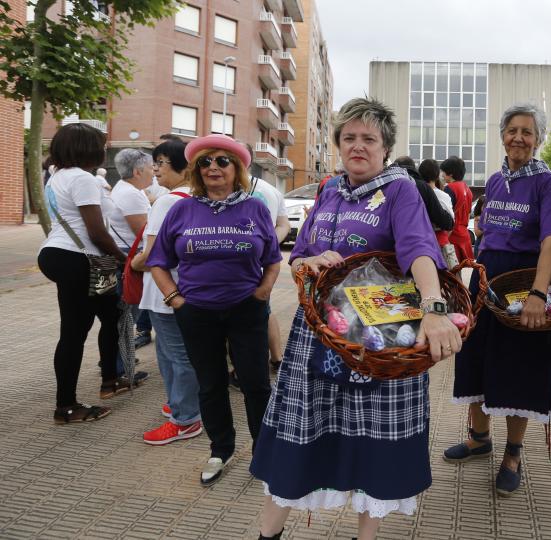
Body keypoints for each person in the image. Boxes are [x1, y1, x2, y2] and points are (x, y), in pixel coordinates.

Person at [251, 97, 462, 540]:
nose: (358, 146)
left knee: (376, 444)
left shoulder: (400, 189)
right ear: (338, 145)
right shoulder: (328, 190)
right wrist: (310, 263)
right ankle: (267, 534)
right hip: (318, 336)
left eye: (369, 138)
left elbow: (420, 250)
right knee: (302, 432)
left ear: (385, 147)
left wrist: (434, 309)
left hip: (379, 339)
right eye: (349, 138)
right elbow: (299, 259)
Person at [444, 103, 551, 498]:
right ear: (502, 134)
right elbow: (485, 232)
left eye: (527, 132)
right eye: (512, 130)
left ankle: (513, 454)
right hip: (486, 281)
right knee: (477, 359)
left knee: (520, 368)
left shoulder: (548, 182)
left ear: (538, 139)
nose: (519, 137)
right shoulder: (496, 181)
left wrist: (538, 293)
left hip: (524, 284)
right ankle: (479, 438)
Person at [147, 134, 282, 485]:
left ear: (236, 168)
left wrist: (263, 293)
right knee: (210, 385)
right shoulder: (181, 209)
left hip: (246, 310)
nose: (213, 167)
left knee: (255, 384)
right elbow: (158, 262)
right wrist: (175, 300)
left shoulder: (254, 208)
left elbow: (272, 259)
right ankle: (221, 448)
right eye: (205, 162)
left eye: (222, 161)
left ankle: (264, 451)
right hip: (197, 313)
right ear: (196, 169)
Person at [38, 123, 127, 423]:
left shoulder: (56, 177)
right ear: (86, 148)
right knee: (74, 332)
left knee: (109, 315)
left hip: (65, 256)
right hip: (80, 260)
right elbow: (97, 232)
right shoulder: (83, 178)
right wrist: (122, 257)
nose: (103, 150)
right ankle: (66, 406)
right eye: (100, 145)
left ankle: (111, 379)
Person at [131, 138, 203, 446]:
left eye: (160, 163)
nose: (155, 169)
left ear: (182, 166)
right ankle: (180, 404)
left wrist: (132, 263)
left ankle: (186, 418)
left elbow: (151, 257)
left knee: (176, 356)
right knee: (177, 353)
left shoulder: (167, 202)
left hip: (164, 293)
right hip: (186, 288)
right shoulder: (200, 198)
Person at [107, 148, 153, 389]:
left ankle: (114, 362)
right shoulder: (131, 195)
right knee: (126, 317)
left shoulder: (127, 190)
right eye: (151, 168)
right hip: (128, 260)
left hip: (122, 258)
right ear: (137, 171)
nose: (154, 173)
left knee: (122, 317)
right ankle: (119, 370)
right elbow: (144, 233)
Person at [245, 144, 291, 371]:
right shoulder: (271, 189)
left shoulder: (231, 190)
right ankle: (277, 357)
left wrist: (265, 246)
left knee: (252, 314)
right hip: (263, 262)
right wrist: (270, 244)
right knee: (265, 309)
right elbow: (284, 225)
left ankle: (246, 365)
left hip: (248, 265)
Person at [441, 155, 474, 263]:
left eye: (443, 172)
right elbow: (468, 214)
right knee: (458, 270)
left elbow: (446, 214)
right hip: (464, 234)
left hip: (452, 235)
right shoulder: (467, 189)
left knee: (450, 272)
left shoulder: (449, 188)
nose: (442, 175)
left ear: (450, 173)